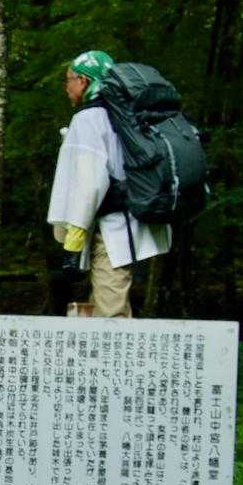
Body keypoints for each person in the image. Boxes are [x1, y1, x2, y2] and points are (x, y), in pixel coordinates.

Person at [48, 50, 171, 317]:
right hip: (128, 224)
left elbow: (89, 184)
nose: (66, 87)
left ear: (83, 81)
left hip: (112, 230)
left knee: (110, 314)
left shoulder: (89, 119)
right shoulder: (125, 116)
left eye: (68, 80)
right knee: (102, 306)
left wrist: (73, 243)